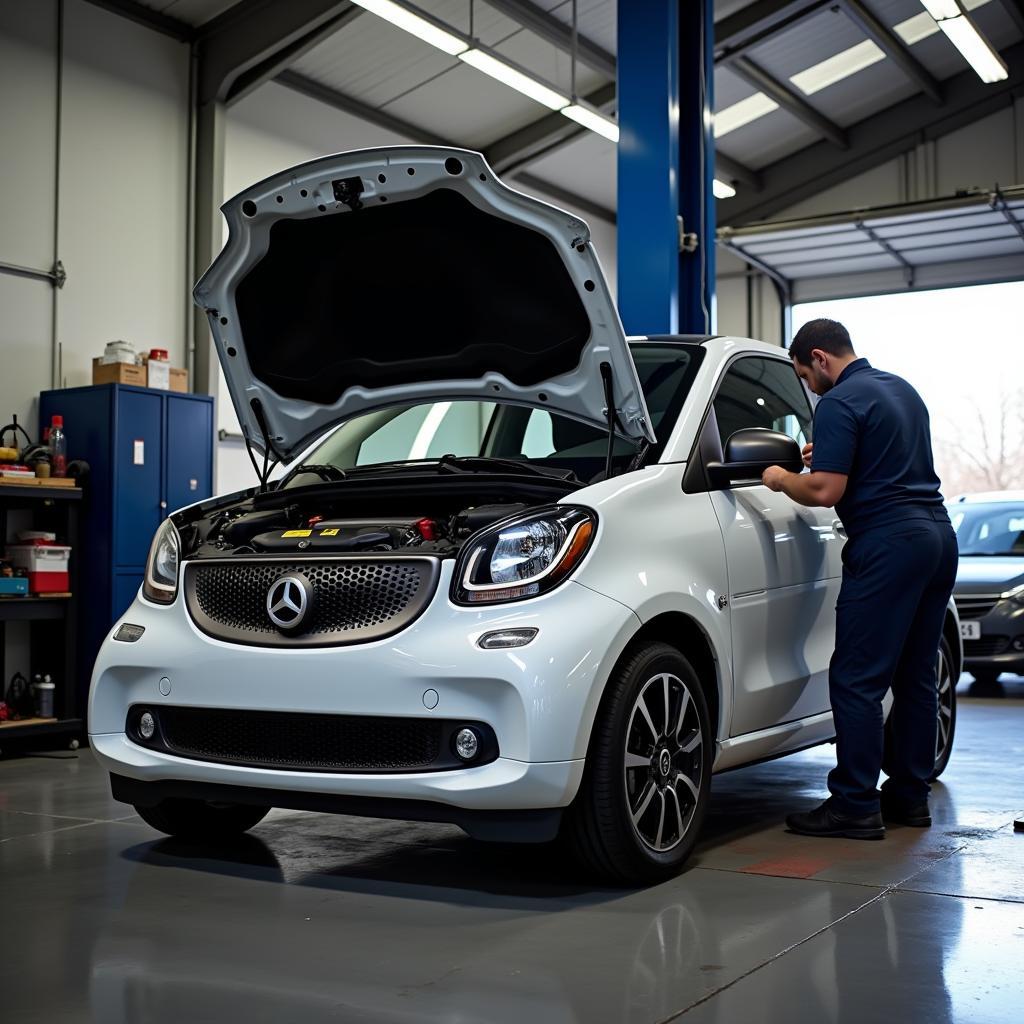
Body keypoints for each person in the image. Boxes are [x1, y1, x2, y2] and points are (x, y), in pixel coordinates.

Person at [761, 318, 957, 839]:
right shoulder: (901, 390)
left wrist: (782, 479)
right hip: (937, 538)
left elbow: (825, 491)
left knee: (856, 678)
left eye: (806, 374)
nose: (808, 385)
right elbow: (884, 459)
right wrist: (824, 455)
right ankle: (910, 798)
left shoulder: (838, 403)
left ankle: (853, 804)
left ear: (820, 358)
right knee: (914, 676)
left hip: (889, 542)